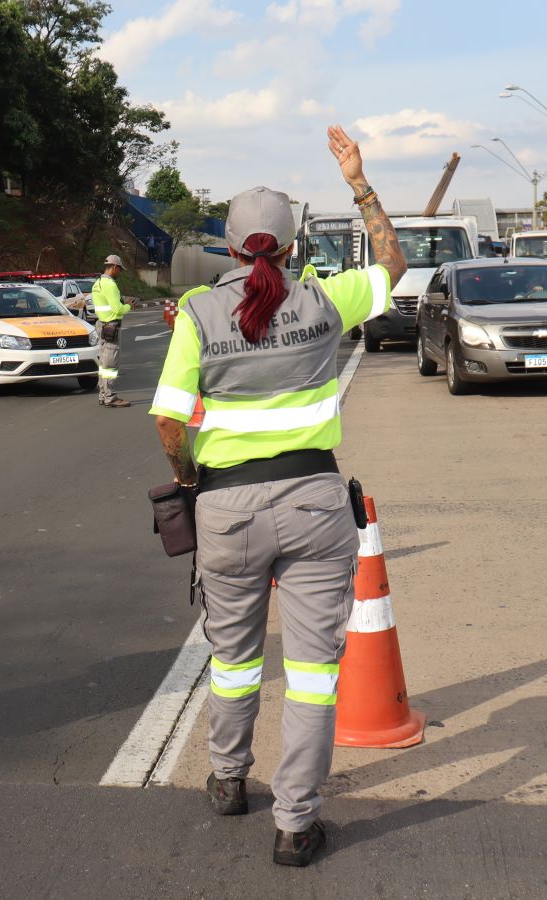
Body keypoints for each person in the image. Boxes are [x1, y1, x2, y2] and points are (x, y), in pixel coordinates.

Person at [149, 126, 407, 866]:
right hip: (315, 506)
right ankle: (295, 823)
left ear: (230, 248)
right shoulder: (325, 301)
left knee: (231, 660)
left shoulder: (197, 313)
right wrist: (358, 180)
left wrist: (194, 482)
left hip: (226, 509)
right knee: (315, 675)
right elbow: (392, 261)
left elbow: (170, 421)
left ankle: (228, 780)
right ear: (291, 248)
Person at [91, 254, 132, 407]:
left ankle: (103, 395)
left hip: (102, 324)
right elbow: (118, 309)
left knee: (103, 363)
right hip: (111, 326)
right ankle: (110, 397)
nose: (119, 273)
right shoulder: (110, 284)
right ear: (114, 267)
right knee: (110, 363)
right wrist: (129, 306)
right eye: (119, 270)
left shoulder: (98, 283)